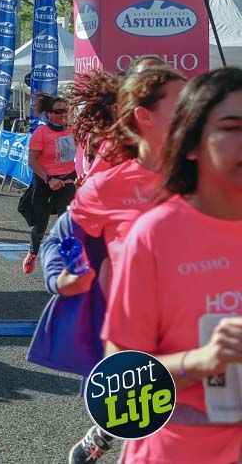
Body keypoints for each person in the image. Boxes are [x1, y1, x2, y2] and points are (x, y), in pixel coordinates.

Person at [39, 66, 186, 464]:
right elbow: (65, 236)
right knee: (160, 420)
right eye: (182, 105)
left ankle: (110, 429)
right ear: (144, 117)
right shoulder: (111, 183)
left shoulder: (211, 174)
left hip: (209, 319)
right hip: (140, 325)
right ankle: (111, 430)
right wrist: (65, 275)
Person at [101, 67, 242, 463]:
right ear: (190, 144)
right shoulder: (155, 235)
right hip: (177, 451)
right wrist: (200, 362)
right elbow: (117, 389)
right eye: (232, 127)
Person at [23, 94, 77, 274]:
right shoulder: (41, 133)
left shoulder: (72, 130)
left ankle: (67, 263)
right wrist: (49, 179)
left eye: (66, 110)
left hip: (67, 180)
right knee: (40, 226)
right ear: (48, 114)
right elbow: (32, 161)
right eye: (58, 111)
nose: (63, 114)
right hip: (45, 182)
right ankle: (33, 252)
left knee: (67, 222)